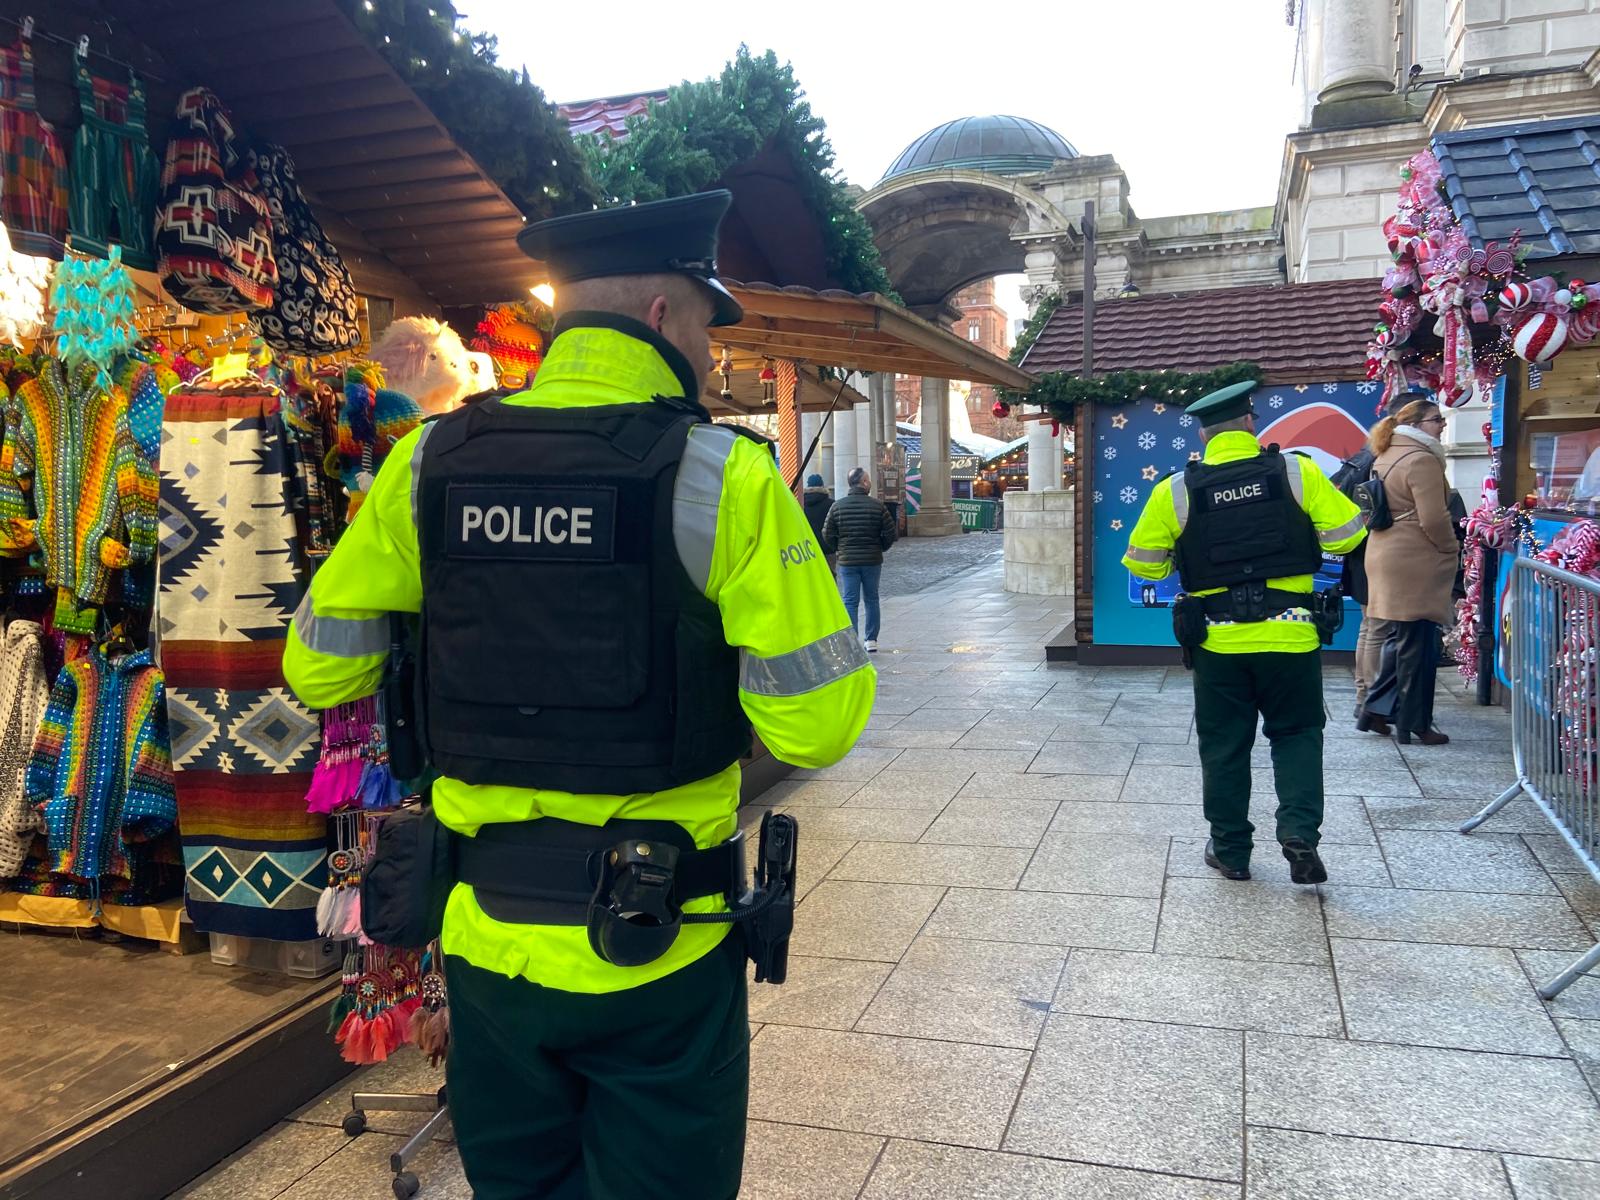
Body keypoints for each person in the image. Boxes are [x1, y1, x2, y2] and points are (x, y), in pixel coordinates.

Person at [282, 190, 876, 1200]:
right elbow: (814, 724)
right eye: (704, 326)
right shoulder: (722, 476)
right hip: (660, 945)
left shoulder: (428, 463)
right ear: (659, 318)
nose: (709, 354)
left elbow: (317, 669)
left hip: (484, 939)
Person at [1123, 380, 1367, 884]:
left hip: (1218, 643)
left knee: (1224, 746)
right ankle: (1299, 832)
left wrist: (1183, 554)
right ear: (1250, 424)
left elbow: (1145, 566)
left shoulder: (1176, 490)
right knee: (1297, 734)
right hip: (1292, 638)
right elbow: (1347, 535)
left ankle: (1232, 851)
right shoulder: (1296, 472)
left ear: (1205, 434)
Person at [1358, 396, 1458, 745]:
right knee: (1418, 644)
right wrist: (1450, 547)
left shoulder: (1386, 453)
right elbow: (1434, 518)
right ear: (1416, 426)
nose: (1442, 424)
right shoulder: (1421, 459)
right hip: (1415, 558)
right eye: (1436, 419)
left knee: (1399, 640)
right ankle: (1415, 723)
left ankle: (1374, 710)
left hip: (1385, 553)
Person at [822, 465, 896, 652]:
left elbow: (827, 533)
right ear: (864, 482)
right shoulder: (877, 505)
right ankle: (871, 640)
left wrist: (839, 548)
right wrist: (881, 547)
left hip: (847, 562)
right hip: (872, 560)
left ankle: (852, 640)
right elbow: (890, 532)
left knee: (849, 600)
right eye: (868, 479)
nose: (870, 482)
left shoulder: (837, 506)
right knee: (872, 598)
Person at [802, 473, 835, 570]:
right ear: (822, 486)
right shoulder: (831, 504)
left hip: (808, 549)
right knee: (830, 577)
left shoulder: (800, 503)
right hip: (828, 548)